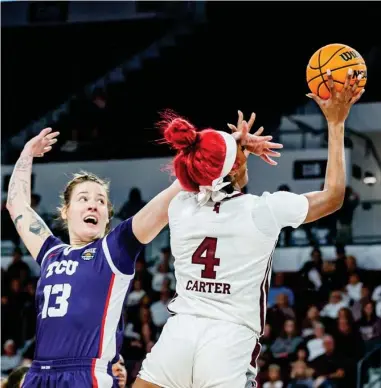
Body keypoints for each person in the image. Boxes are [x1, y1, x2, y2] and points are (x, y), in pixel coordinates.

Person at [134, 69, 364, 388]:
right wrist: (336, 124)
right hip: (228, 340)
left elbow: (204, 176)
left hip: (179, 333)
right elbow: (333, 196)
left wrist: (235, 154)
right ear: (237, 165)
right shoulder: (262, 210)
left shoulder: (181, 206)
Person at [6, 115, 275, 387]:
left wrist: (228, 146)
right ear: (65, 212)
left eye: (100, 201)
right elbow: (17, 206)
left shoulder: (114, 248)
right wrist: (27, 153)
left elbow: (178, 185)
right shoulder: (50, 252)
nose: (93, 205)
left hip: (85, 374)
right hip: (39, 373)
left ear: (108, 215)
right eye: (83, 199)